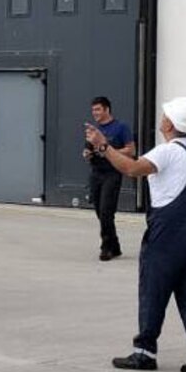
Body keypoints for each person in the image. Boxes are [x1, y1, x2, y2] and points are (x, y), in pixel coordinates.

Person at [103, 97, 186, 372]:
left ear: (170, 123)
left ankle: (144, 351)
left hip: (168, 232)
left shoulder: (167, 151)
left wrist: (104, 147)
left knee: (153, 289)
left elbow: (131, 169)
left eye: (165, 114)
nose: (162, 118)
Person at [82, 96, 133, 260]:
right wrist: (88, 154)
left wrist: (108, 150)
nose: (94, 113)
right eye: (93, 110)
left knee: (106, 212)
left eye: (98, 109)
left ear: (107, 110)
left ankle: (106, 248)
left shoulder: (121, 127)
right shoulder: (94, 130)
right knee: (99, 211)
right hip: (96, 172)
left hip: (112, 172)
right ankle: (115, 245)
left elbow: (131, 150)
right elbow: (87, 150)